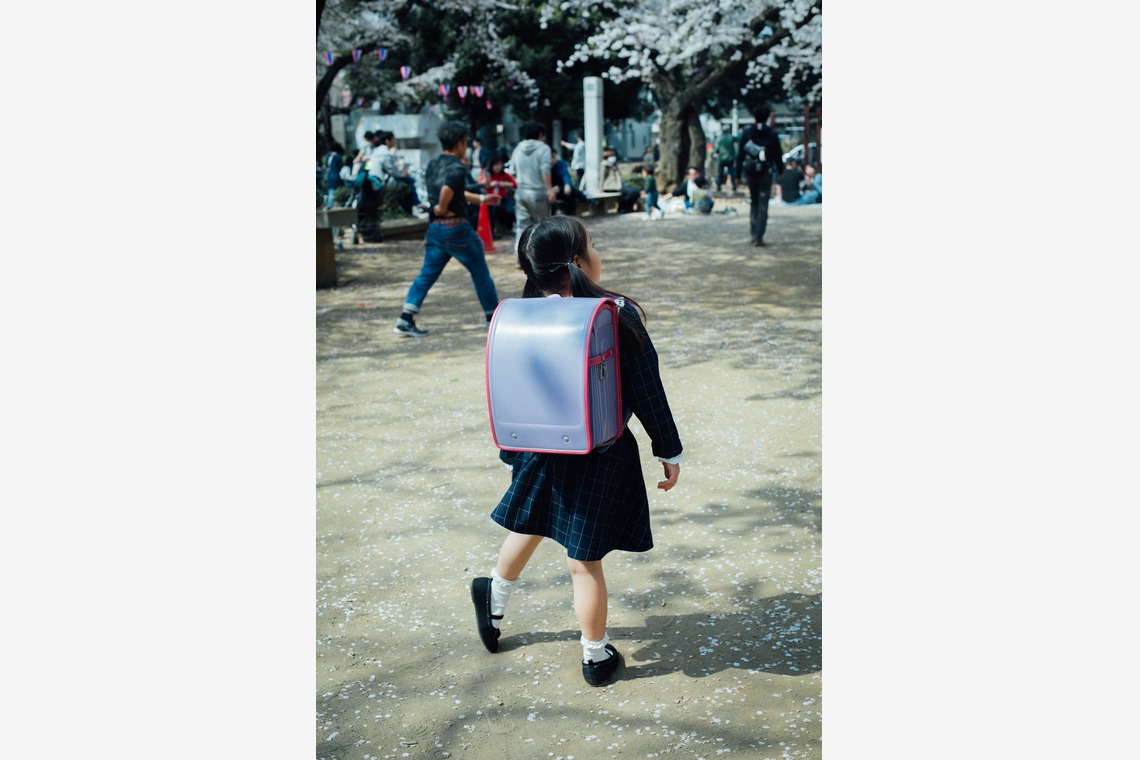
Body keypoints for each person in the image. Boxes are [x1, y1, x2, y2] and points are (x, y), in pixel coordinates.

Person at [470, 215, 684, 687]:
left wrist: (513, 452)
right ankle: (595, 653)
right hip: (597, 454)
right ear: (578, 261)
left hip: (538, 448)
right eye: (593, 243)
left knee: (534, 523)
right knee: (583, 562)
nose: (597, 250)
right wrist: (668, 449)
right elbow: (647, 386)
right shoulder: (615, 313)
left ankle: (494, 594)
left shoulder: (521, 314)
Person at [393, 121, 502, 337]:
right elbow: (448, 189)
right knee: (480, 273)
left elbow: (455, 192)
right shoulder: (457, 166)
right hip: (457, 229)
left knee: (426, 275)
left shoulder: (434, 165)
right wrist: (443, 207)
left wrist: (482, 199)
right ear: (460, 144)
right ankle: (493, 320)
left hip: (435, 230)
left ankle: (405, 318)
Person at [734, 103, 783, 247]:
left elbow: (740, 156)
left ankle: (753, 233)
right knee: (763, 204)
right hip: (765, 173)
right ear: (767, 118)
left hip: (750, 173)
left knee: (754, 203)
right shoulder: (772, 134)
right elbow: (778, 155)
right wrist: (780, 171)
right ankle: (759, 236)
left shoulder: (747, 133)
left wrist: (737, 175)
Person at [509, 121, 557, 251]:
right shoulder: (543, 148)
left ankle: (520, 257)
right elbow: (545, 171)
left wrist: (518, 187)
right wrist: (550, 190)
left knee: (522, 227)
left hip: (521, 193)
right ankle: (544, 257)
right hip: (538, 193)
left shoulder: (518, 148)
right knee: (543, 226)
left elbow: (512, 172)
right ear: (541, 134)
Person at [482, 156, 517, 237]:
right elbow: (482, 184)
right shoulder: (487, 174)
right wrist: (491, 183)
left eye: (500, 165)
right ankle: (494, 232)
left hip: (503, 198)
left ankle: (509, 228)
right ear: (492, 166)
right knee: (495, 210)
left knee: (511, 210)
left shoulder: (504, 174)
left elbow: (514, 184)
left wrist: (502, 184)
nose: (498, 167)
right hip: (491, 199)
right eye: (496, 165)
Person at [324, 143, 344, 209]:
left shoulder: (328, 156)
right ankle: (331, 204)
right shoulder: (338, 156)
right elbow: (341, 167)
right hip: (336, 175)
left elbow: (326, 165)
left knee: (331, 190)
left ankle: (330, 204)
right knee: (334, 190)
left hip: (329, 175)